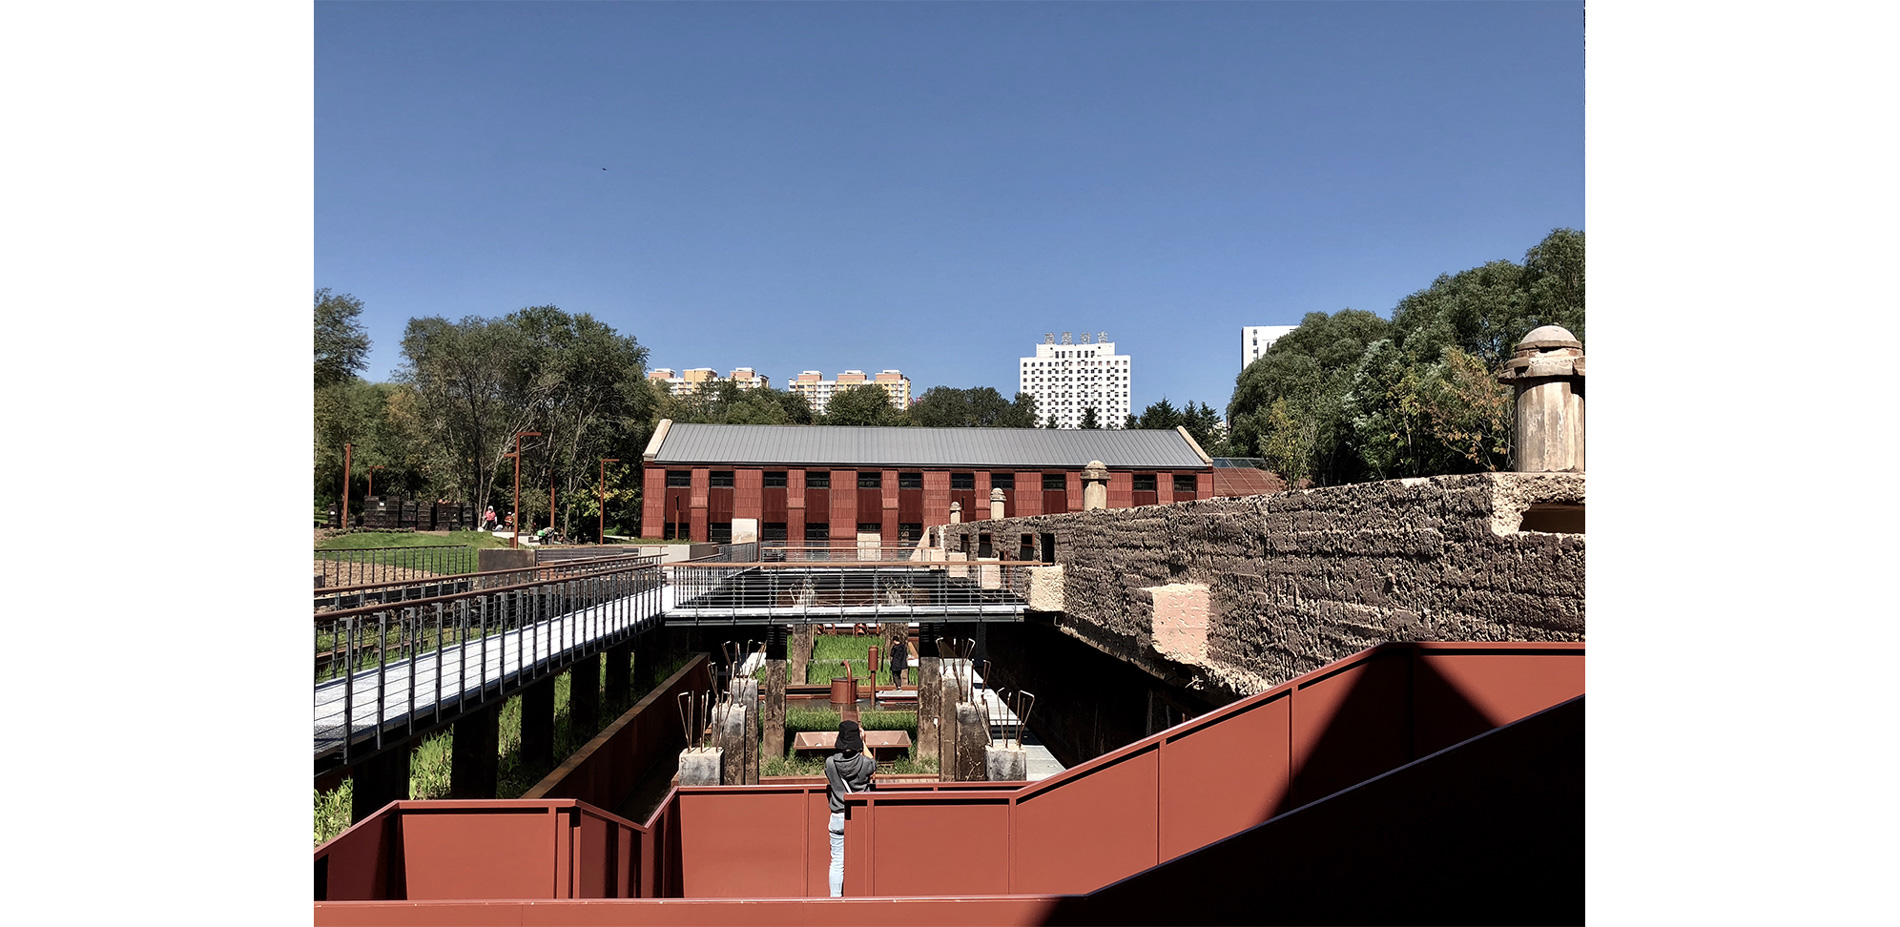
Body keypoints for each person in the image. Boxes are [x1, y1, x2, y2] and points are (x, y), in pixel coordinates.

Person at [823, 720, 876, 897]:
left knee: (837, 861)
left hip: (837, 816)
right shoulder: (863, 763)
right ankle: (863, 895)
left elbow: (835, 758)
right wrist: (864, 742)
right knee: (865, 859)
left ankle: (835, 898)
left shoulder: (830, 763)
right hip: (860, 818)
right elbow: (873, 764)